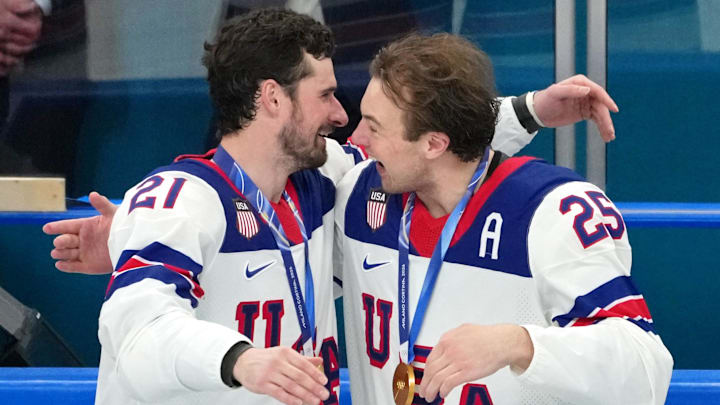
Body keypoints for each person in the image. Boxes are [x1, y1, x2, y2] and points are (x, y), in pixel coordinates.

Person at [42, 9, 623, 405]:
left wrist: (532, 111)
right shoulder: (179, 202)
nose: (342, 117)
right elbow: (138, 339)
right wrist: (240, 359)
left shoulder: (326, 182)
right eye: (324, 95)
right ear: (272, 98)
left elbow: (426, 138)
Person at [335, 33, 672, 404]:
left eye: (374, 126)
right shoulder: (358, 194)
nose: (358, 138)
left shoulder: (550, 209)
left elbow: (646, 369)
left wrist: (519, 344)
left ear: (434, 144)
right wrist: (531, 110)